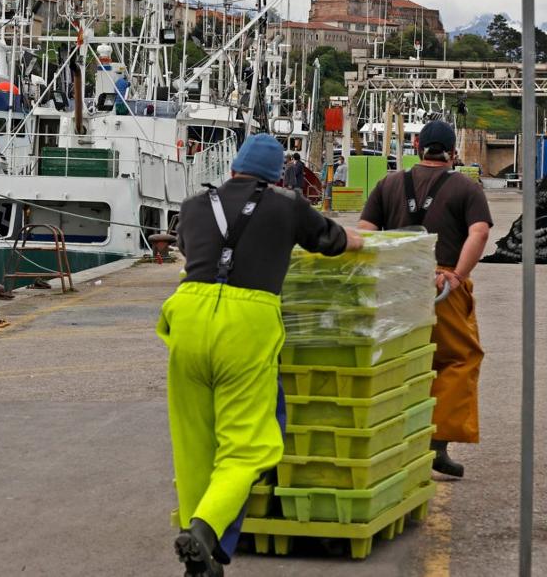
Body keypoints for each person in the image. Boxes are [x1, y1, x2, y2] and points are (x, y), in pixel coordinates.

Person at [162, 133, 363, 575]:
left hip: (189, 316)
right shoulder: (287, 205)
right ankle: (204, 529)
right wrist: (360, 241)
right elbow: (330, 241)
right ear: (276, 177)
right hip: (245, 325)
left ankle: (204, 559)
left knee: (195, 444)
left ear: (233, 168)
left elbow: (190, 250)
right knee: (248, 445)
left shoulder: (195, 206)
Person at [357, 120, 492, 478]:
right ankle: (436, 444)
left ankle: (391, 441)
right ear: (453, 152)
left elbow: (366, 233)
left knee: (400, 359)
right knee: (458, 358)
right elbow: (479, 232)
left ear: (417, 146)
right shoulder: (466, 187)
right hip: (443, 283)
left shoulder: (387, 184)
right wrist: (458, 276)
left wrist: (384, 271)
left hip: (396, 282)